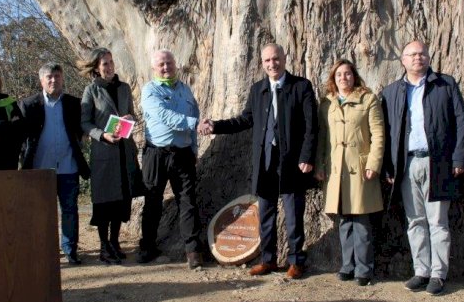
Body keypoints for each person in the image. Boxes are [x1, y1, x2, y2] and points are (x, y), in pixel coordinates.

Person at [199, 43, 317, 279]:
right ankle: (268, 259)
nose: (272, 64)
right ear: (262, 63)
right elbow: (244, 120)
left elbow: (311, 126)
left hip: (292, 163)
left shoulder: (301, 86)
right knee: (265, 214)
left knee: (293, 214)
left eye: (276, 59)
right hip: (265, 162)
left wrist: (307, 156)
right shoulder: (257, 90)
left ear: (284, 58)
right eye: (267, 61)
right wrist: (216, 126)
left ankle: (296, 261)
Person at [380, 40, 464, 296]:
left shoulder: (445, 84)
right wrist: (389, 166)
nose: (418, 58)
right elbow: (385, 132)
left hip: (437, 162)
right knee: (415, 220)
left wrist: (458, 158)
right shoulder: (392, 92)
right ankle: (422, 271)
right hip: (406, 164)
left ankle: (438, 274)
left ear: (429, 58)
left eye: (422, 53)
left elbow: (460, 122)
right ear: (403, 60)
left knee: (438, 221)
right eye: (412, 54)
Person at [315, 59, 385, 286]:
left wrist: (373, 164)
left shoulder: (368, 99)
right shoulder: (327, 103)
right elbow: (322, 138)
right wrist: (319, 165)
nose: (343, 78)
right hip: (337, 170)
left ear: (354, 76)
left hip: (360, 169)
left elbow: (378, 135)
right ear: (333, 79)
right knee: (343, 220)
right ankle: (347, 265)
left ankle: (364, 269)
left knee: (362, 220)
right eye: (339, 75)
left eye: (347, 74)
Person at [21, 63, 91, 265]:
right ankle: (45, 249)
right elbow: (18, 134)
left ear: (62, 79)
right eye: (49, 77)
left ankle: (70, 249)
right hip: (41, 170)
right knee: (43, 212)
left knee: (70, 210)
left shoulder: (74, 104)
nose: (54, 80)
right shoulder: (29, 105)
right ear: (41, 80)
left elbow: (85, 127)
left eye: (57, 76)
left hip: (69, 167)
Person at [140, 49, 203, 268]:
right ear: (154, 69)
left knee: (188, 202)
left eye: (169, 63)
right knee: (152, 202)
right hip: (156, 154)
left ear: (175, 64)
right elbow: (165, 117)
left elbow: (194, 115)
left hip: (183, 153)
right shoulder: (149, 90)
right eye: (161, 65)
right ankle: (147, 246)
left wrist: (194, 148)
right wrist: (193, 124)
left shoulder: (185, 89)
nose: (166, 68)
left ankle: (192, 250)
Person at [79, 48, 140, 265]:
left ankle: (115, 242)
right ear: (96, 67)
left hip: (124, 151)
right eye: (104, 64)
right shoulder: (91, 90)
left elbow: (133, 114)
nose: (109, 67)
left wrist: (130, 118)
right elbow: (84, 123)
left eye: (111, 62)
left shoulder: (124, 88)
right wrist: (102, 134)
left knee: (122, 200)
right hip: (104, 153)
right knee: (105, 201)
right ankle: (104, 245)